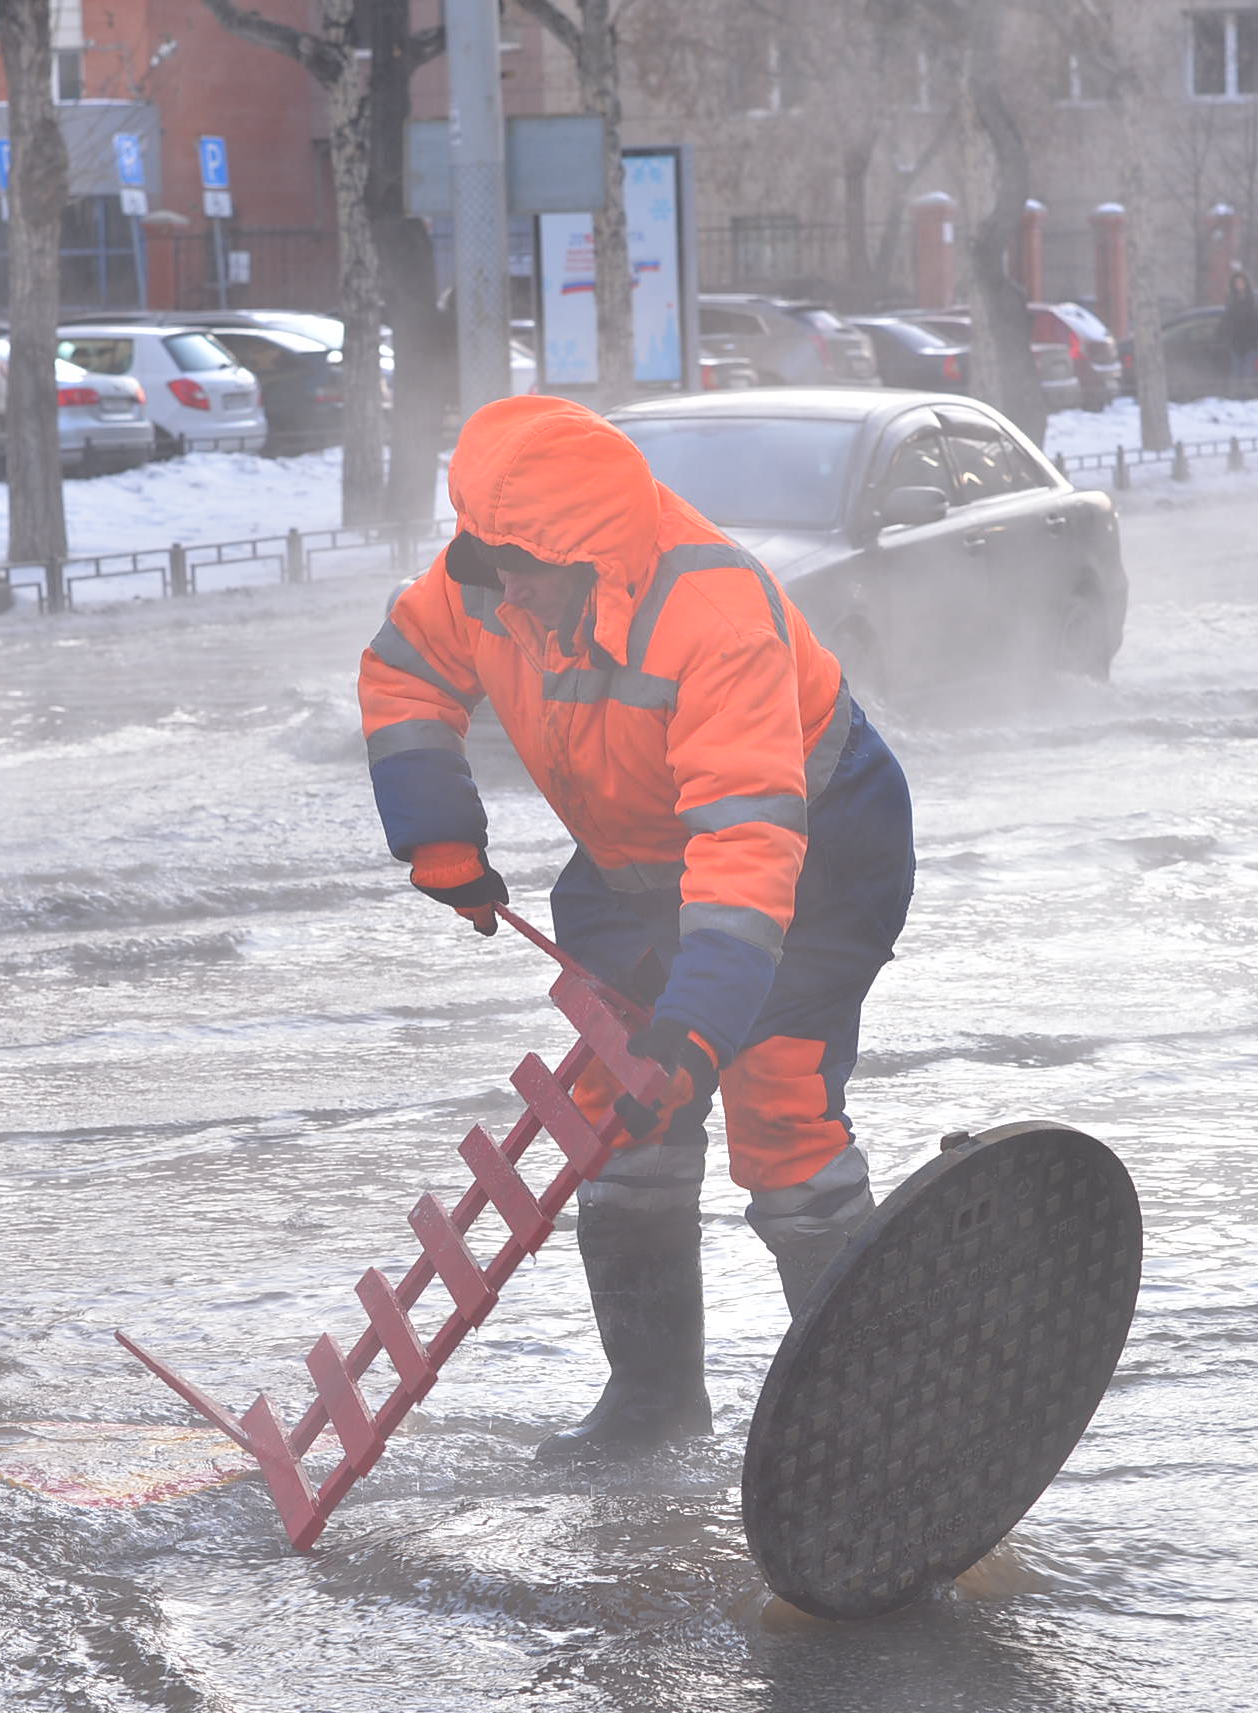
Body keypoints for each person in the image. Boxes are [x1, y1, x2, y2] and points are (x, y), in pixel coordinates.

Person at [360, 396, 916, 1462]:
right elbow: (404, 670)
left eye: (518, 563)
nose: (493, 581)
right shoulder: (492, 581)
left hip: (816, 850)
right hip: (632, 859)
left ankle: (873, 1418)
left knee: (777, 1110)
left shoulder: (711, 614)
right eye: (482, 553)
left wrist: (698, 1023)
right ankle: (653, 1403)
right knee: (620, 1112)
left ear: (587, 561)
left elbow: (748, 838)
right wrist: (438, 834)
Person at [1221, 267, 1258, 391]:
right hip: (1236, 343)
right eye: (1237, 282)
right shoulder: (1231, 300)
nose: (1239, 285)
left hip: (1252, 342)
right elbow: (1227, 320)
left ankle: (1247, 397)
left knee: (1249, 375)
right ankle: (1238, 397)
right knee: (1237, 374)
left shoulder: (1255, 299)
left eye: (1242, 282)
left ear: (1246, 283)